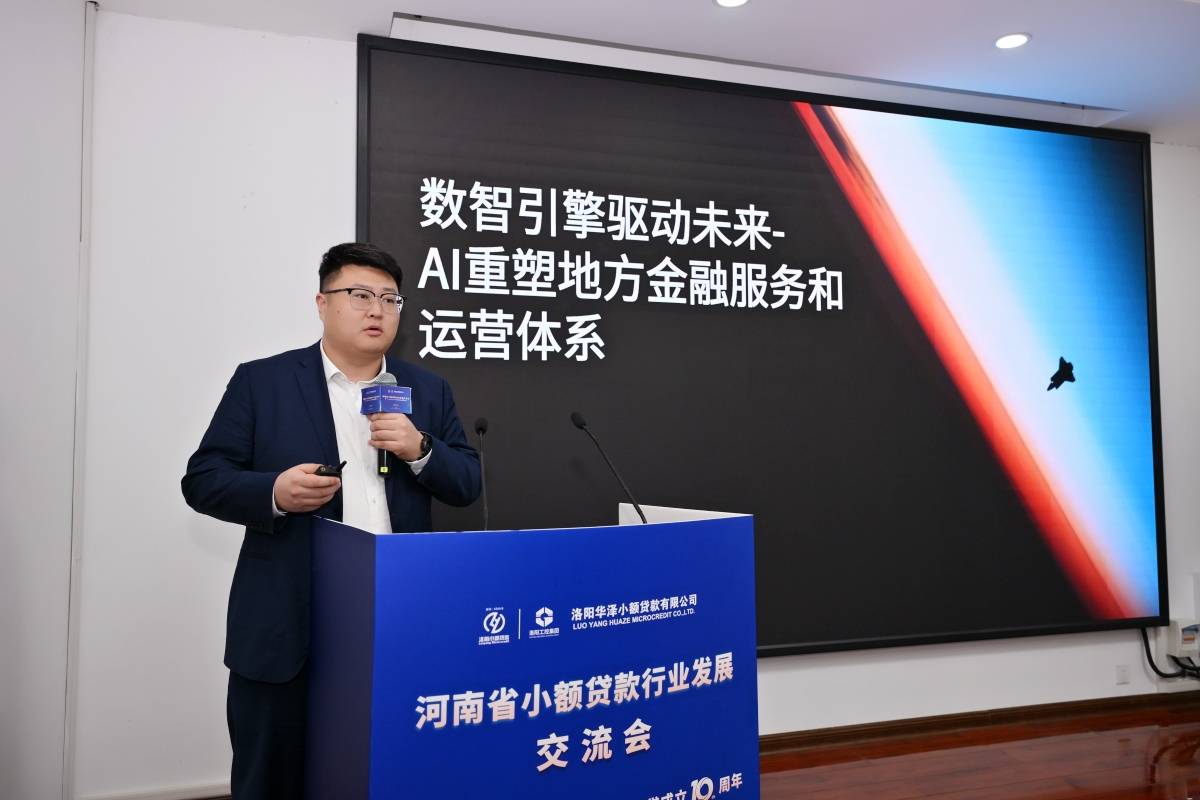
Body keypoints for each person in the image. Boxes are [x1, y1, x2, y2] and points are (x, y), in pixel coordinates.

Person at [181, 242, 481, 798]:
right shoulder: (264, 382)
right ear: (322, 303)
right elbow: (203, 479)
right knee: (272, 779)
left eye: (389, 299)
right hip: (287, 621)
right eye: (360, 295)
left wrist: (420, 449)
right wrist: (273, 491)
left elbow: (467, 483)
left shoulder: (427, 390)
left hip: (396, 619)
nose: (377, 310)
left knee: (384, 773)